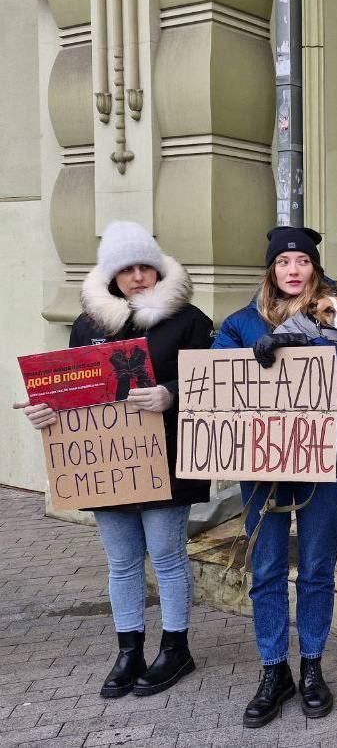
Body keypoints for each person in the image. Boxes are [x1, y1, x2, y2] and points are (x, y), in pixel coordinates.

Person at [17, 221, 213, 698]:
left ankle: (175, 648)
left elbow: (213, 384)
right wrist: (47, 410)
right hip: (107, 466)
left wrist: (169, 395)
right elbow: (69, 393)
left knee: (166, 556)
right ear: (112, 273)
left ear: (159, 268)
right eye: (128, 268)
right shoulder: (88, 326)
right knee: (122, 561)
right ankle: (129, 650)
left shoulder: (189, 321)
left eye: (147, 265)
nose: (139, 276)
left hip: (166, 457)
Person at [210, 226, 337, 728]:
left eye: (302, 262)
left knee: (315, 565)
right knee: (265, 570)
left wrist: (326, 356)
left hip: (322, 457)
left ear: (314, 268)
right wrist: (251, 358)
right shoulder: (243, 322)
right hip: (261, 462)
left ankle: (311, 666)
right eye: (284, 262)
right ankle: (273, 671)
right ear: (272, 269)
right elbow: (218, 375)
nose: (293, 270)